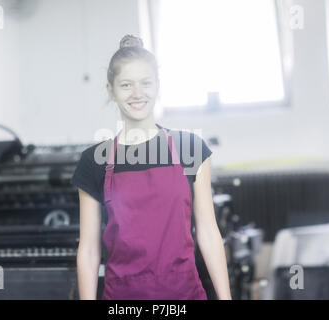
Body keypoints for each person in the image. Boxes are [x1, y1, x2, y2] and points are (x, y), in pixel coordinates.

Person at [73, 34, 232, 300]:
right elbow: (89, 250)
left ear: (157, 86)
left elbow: (208, 232)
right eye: (126, 85)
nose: (137, 94)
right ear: (110, 90)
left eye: (145, 83)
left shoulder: (190, 149)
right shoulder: (95, 161)